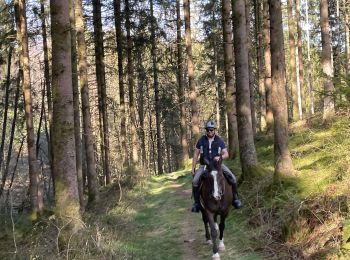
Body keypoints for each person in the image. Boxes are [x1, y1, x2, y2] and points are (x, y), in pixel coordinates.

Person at [191, 120, 242, 213]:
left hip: (218, 165)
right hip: (204, 166)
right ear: (206, 130)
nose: (209, 132)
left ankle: (235, 199)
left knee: (233, 178)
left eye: (211, 130)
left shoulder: (219, 140)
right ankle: (196, 203)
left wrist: (220, 157)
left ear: (214, 130)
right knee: (195, 181)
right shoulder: (201, 140)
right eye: (208, 130)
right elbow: (195, 154)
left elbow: (226, 154)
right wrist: (193, 168)